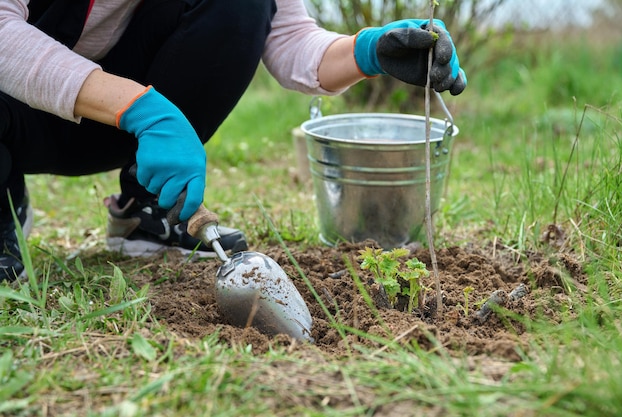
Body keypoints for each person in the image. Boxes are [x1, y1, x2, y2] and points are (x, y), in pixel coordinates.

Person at [0, 0, 466, 282]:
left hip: (122, 129)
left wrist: (368, 50)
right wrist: (140, 107)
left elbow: (290, 39)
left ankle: (149, 208)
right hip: (17, 115)